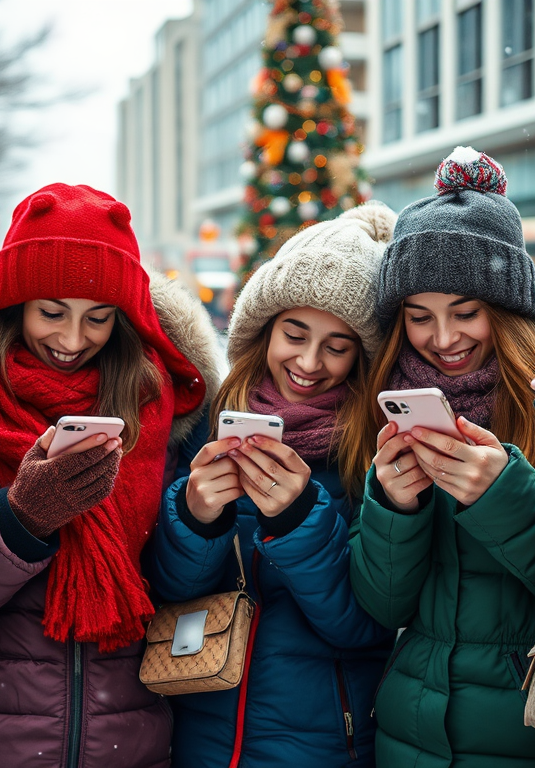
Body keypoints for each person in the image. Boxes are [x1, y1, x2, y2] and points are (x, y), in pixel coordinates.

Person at [0, 183, 222, 768]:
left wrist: (197, 519)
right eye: (52, 312)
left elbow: (174, 599)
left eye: (98, 318)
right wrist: (19, 520)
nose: (71, 340)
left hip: (128, 743)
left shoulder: (163, 410)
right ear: (16, 302)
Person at [348, 147, 535, 768]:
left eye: (466, 312)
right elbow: (385, 606)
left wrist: (505, 497)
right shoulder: (395, 398)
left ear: (506, 308)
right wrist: (394, 507)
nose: (443, 339)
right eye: (419, 317)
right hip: (410, 733)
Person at [146, 203, 398, 767]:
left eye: (338, 346)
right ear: (264, 330)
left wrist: (296, 519)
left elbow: (365, 623)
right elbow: (163, 593)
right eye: (295, 333)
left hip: (322, 741)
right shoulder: (206, 426)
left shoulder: (373, 450)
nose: (310, 362)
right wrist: (194, 517)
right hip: (200, 731)